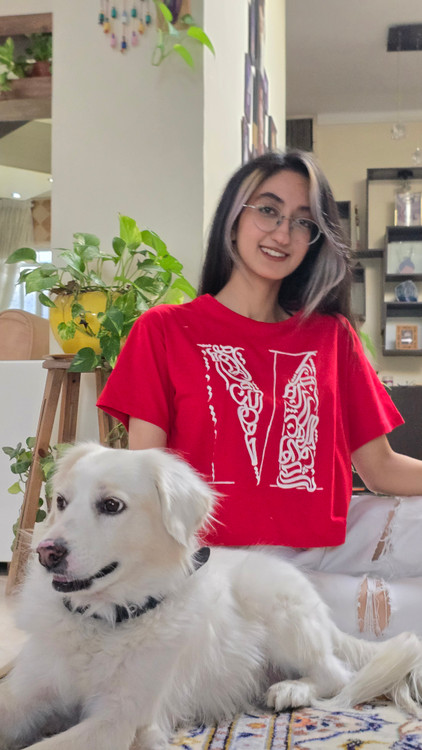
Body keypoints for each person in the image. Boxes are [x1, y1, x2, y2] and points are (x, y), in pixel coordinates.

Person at [97, 150, 422, 640]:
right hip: (224, 568)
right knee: (384, 616)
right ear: (233, 221)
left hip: (330, 545)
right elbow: (144, 478)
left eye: (303, 222)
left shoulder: (332, 335)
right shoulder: (164, 330)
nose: (283, 234)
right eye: (268, 210)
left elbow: (380, 469)